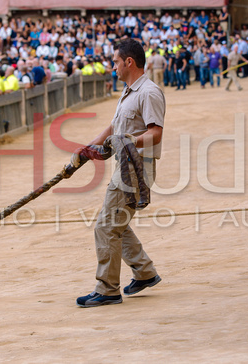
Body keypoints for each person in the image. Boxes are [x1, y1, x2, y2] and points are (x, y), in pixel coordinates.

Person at [72, 38, 165, 308]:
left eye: (115, 62)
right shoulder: (129, 91)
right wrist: (89, 150)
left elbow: (155, 134)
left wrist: (128, 141)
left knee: (106, 227)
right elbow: (114, 127)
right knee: (115, 224)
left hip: (135, 170)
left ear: (129, 62)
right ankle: (145, 273)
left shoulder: (149, 92)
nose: (113, 67)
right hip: (125, 167)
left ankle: (108, 289)